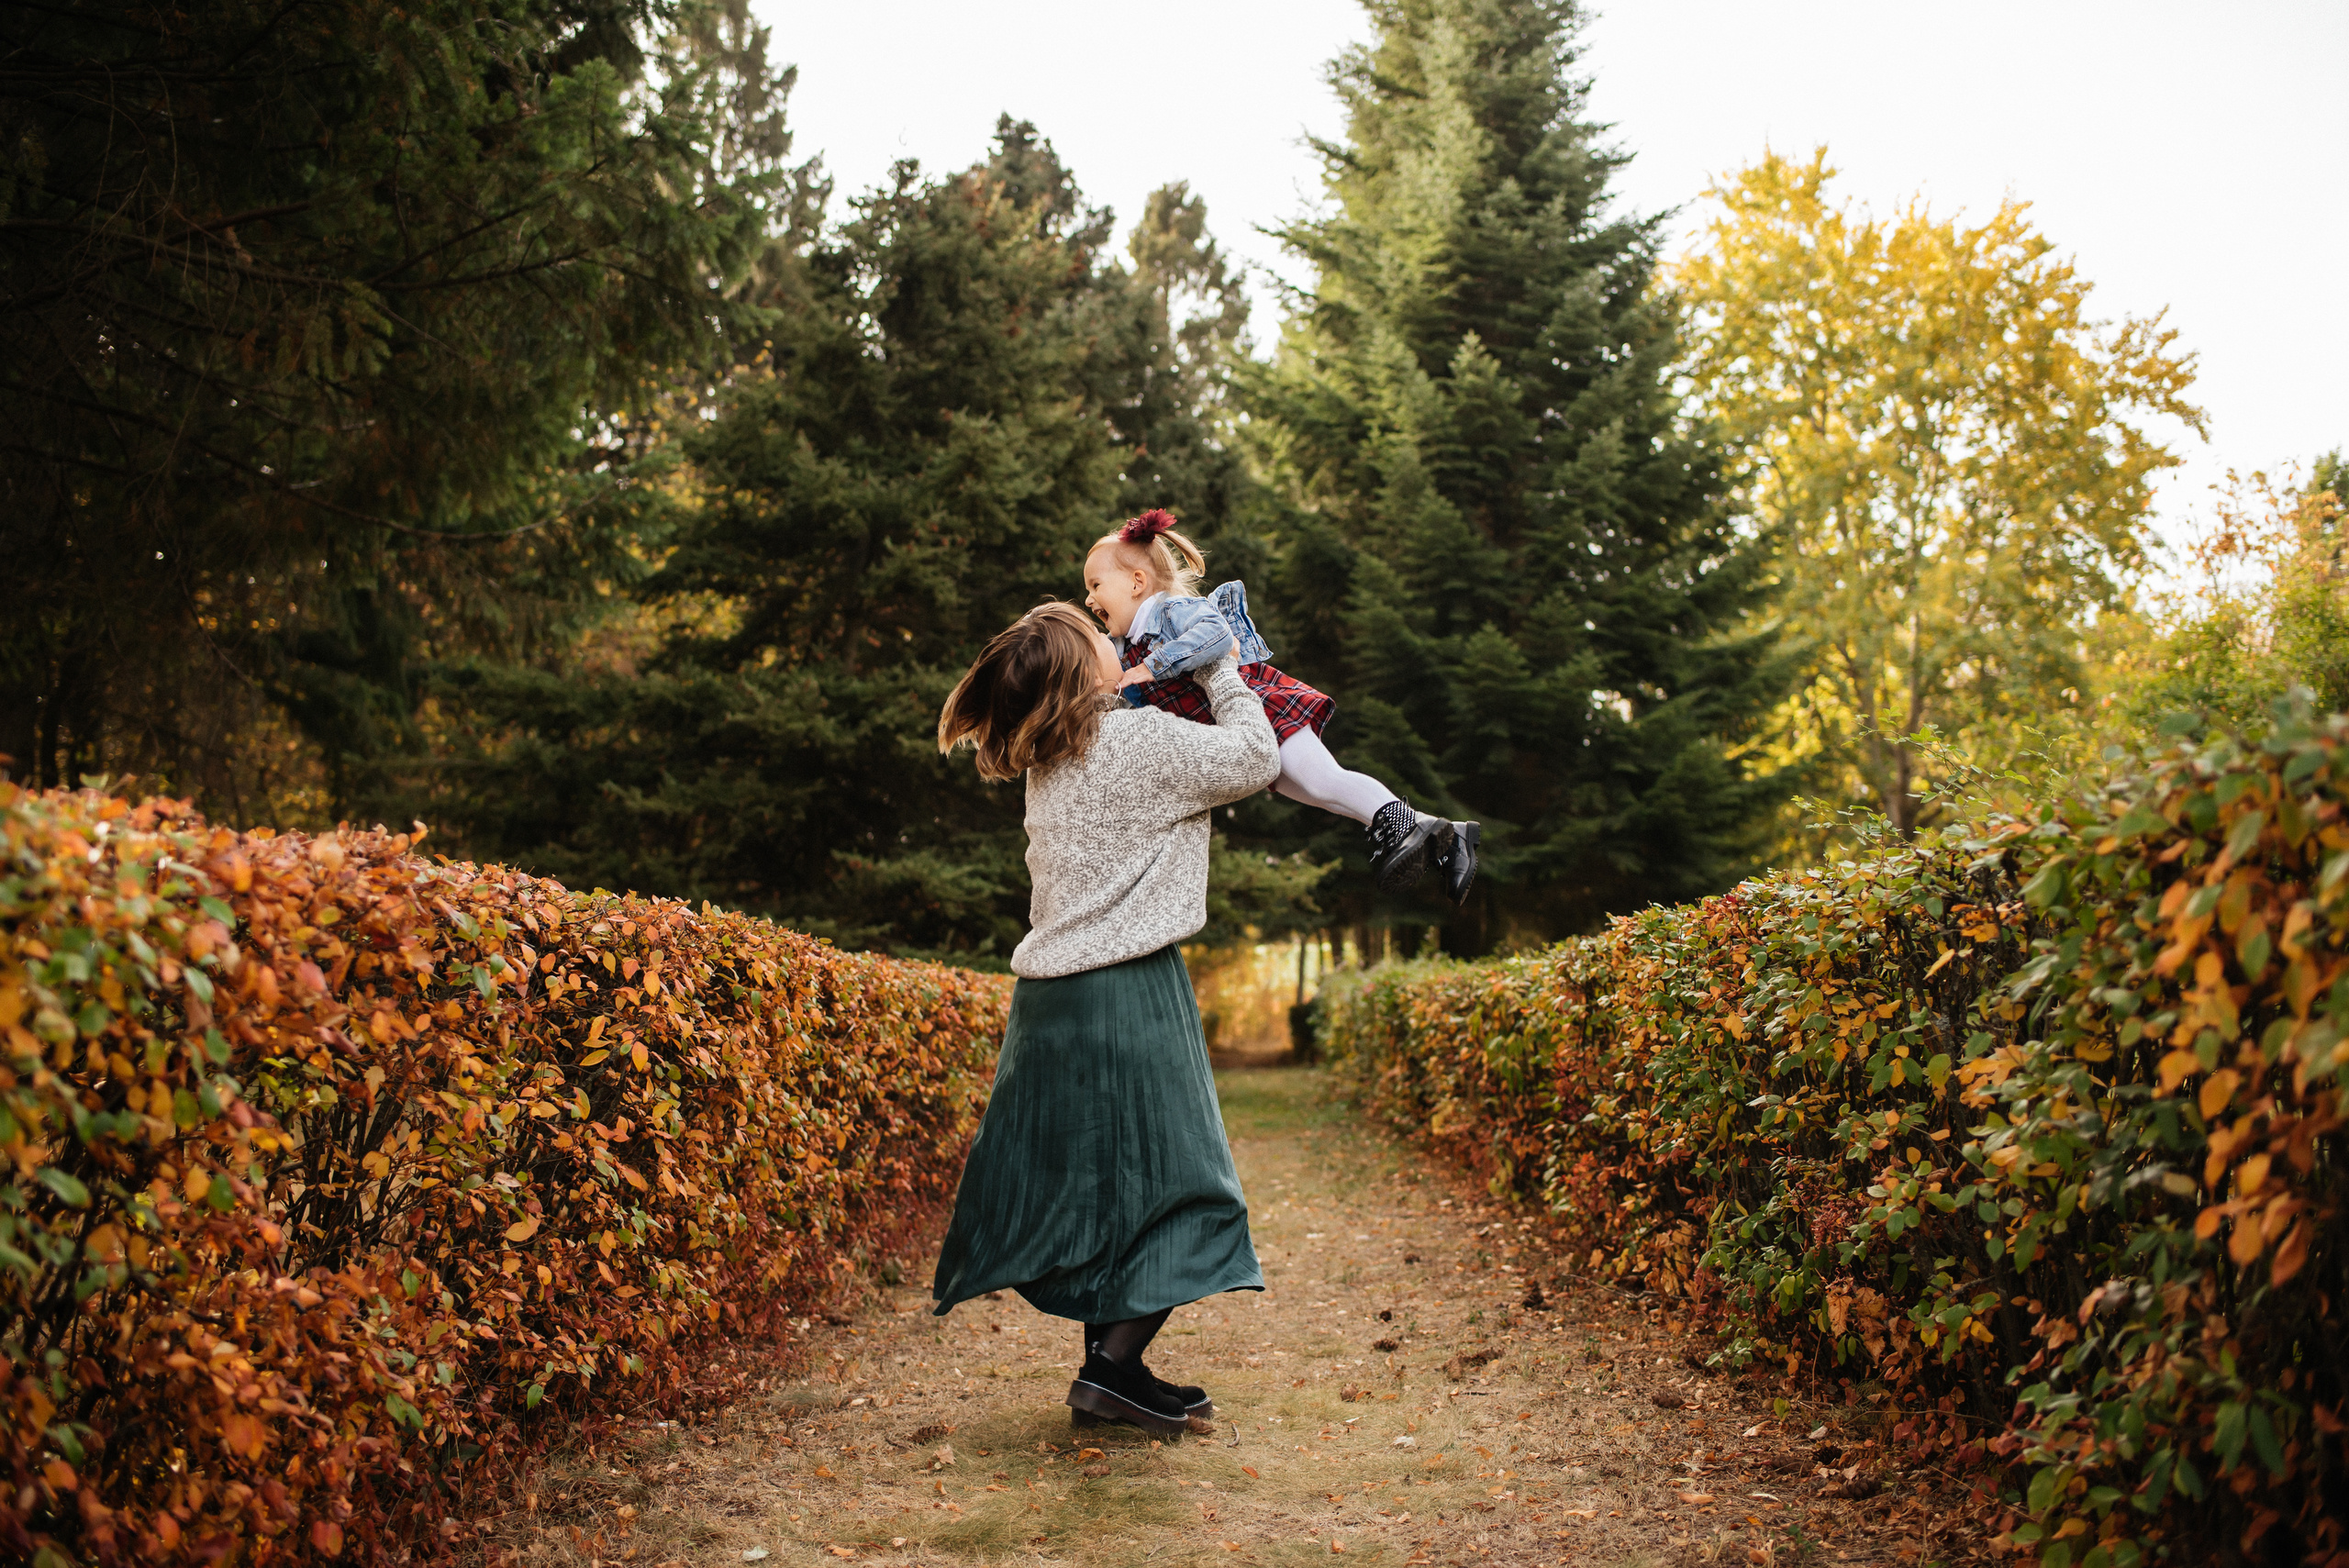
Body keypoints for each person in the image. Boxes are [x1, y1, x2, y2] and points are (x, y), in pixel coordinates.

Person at [930, 600, 1277, 1436]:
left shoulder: (1050, 760)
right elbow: (1256, 756)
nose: (1117, 644)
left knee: (1102, 1198)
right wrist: (1220, 663)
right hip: (1126, 989)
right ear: (1083, 675)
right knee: (1188, 1191)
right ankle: (1111, 1370)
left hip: (1050, 1001)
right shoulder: (1133, 742)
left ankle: (1118, 1371)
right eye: (1101, 642)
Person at [1083, 509, 1480, 906]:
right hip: (1241, 726)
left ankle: (1404, 825)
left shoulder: (1172, 611)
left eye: (1096, 584)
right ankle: (1447, 836)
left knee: (1324, 779)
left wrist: (1150, 667)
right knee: (1317, 792)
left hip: (1262, 705)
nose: (1088, 598)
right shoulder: (1126, 645)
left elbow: (1217, 635)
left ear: (1137, 582)